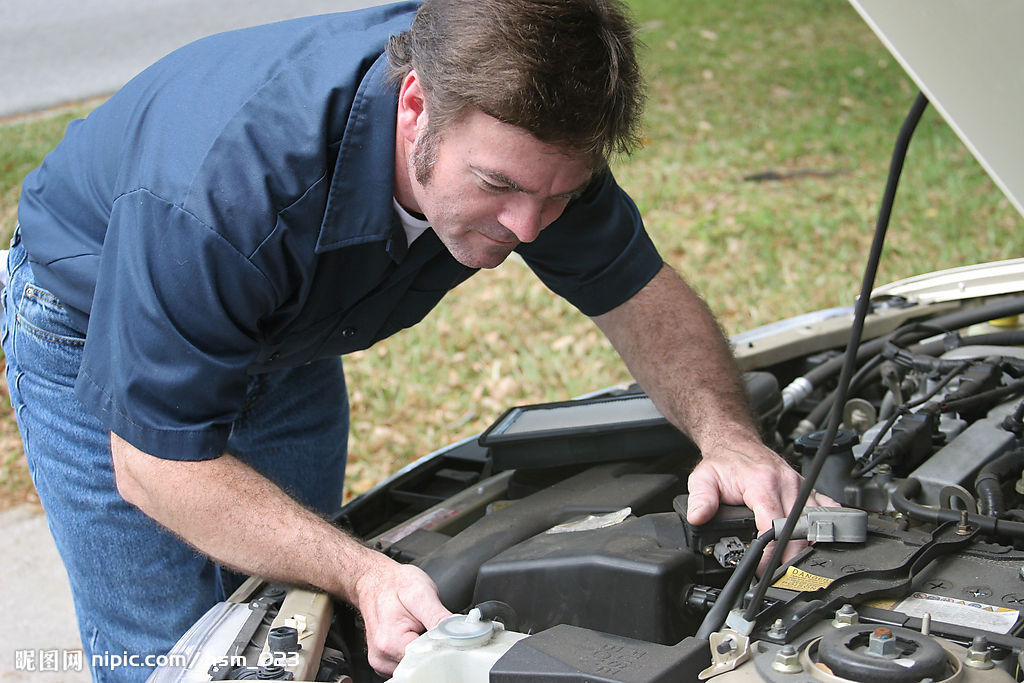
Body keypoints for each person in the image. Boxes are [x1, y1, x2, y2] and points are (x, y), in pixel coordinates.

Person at [2, 0, 833, 680]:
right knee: (170, 655)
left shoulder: (528, 150)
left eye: (557, 195)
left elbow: (635, 291)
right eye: (497, 186)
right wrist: (367, 571)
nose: (525, 226)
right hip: (90, 321)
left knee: (290, 626)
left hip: (281, 334)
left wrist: (729, 439)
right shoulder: (223, 190)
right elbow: (158, 466)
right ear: (415, 109)